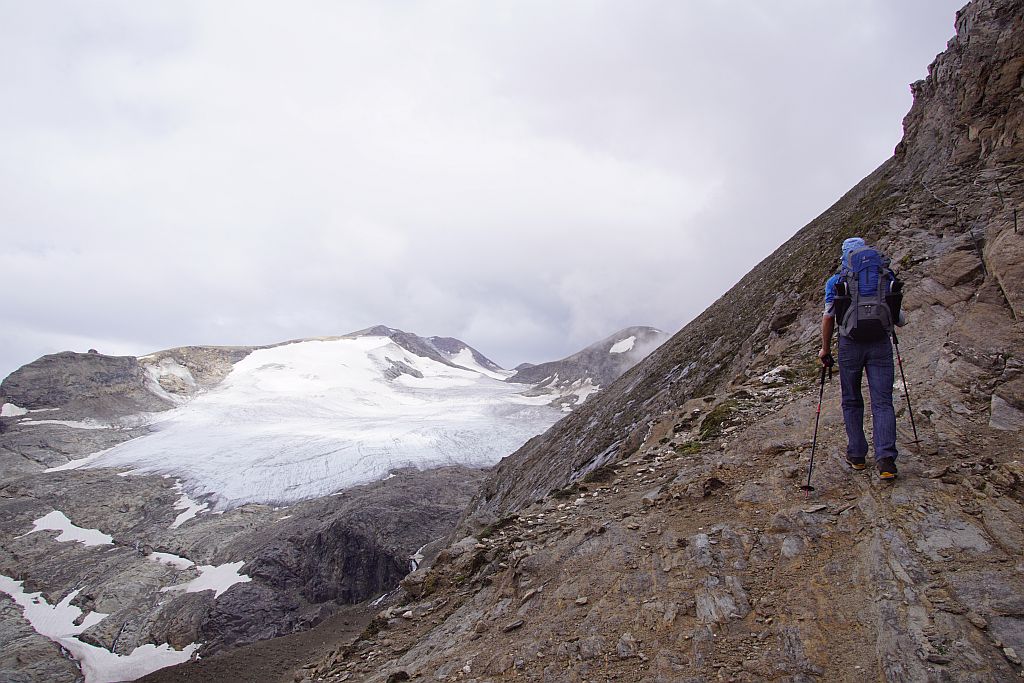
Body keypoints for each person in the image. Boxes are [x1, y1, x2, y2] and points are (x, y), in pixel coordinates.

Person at [819, 237, 905, 480]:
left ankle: (857, 455)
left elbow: (828, 317)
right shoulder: (885, 276)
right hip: (880, 343)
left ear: (845, 257)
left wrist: (825, 349)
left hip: (850, 345)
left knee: (852, 400)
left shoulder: (837, 281)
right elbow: (900, 318)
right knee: (882, 401)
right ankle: (886, 460)